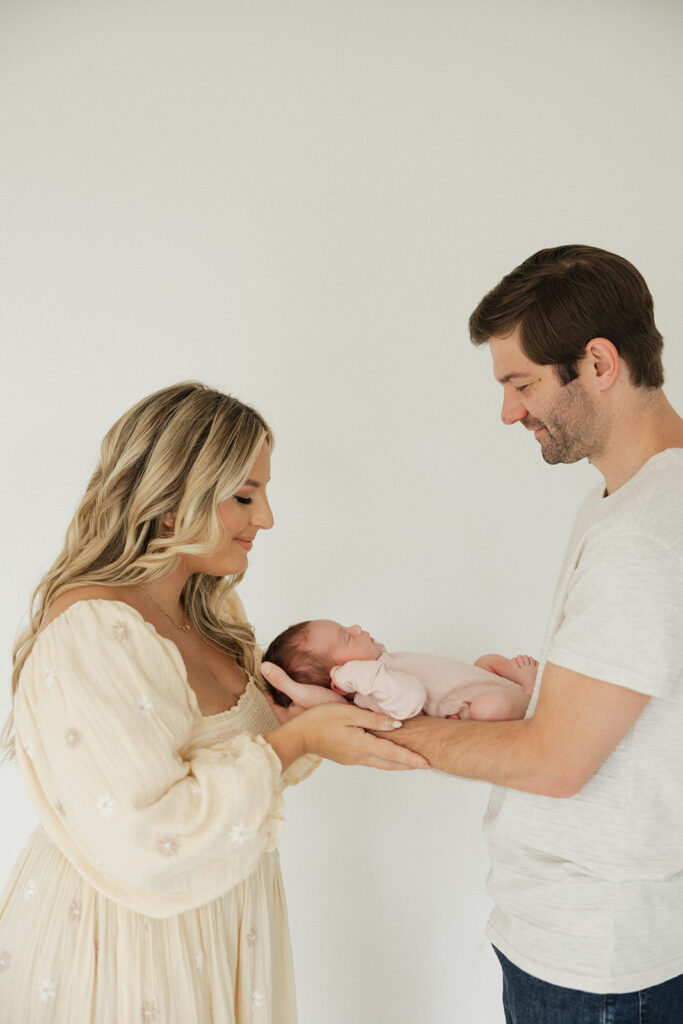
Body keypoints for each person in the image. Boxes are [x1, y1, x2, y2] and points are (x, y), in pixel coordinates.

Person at [263, 245, 683, 1023]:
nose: (508, 412)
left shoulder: (643, 534)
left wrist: (355, 727)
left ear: (597, 362)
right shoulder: (624, 504)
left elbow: (556, 762)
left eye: (519, 383)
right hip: (587, 942)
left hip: (597, 961)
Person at [0, 382, 426, 1024]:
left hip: (216, 927)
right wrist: (301, 740)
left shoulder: (206, 615)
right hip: (126, 948)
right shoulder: (93, 630)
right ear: (172, 505)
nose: (267, 519)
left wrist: (307, 718)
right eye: (246, 496)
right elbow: (145, 837)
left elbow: (227, 765)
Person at [263, 618, 538, 721]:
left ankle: (520, 686)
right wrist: (357, 677)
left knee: (487, 660)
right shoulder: (376, 693)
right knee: (488, 709)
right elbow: (412, 698)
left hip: (481, 680)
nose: (357, 628)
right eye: (348, 637)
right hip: (476, 702)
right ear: (343, 677)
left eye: (348, 627)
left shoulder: (383, 665)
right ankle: (530, 694)